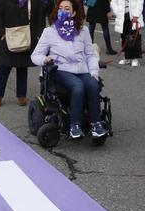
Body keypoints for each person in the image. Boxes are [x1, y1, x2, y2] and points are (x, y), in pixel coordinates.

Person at [32, 0, 106, 140]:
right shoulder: (49, 32)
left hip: (81, 69)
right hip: (61, 69)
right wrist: (44, 60)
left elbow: (90, 55)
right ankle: (75, 126)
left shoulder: (83, 31)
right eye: (60, 8)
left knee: (92, 84)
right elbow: (35, 55)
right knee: (78, 86)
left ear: (73, 12)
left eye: (67, 8)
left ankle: (96, 124)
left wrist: (94, 72)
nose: (63, 11)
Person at [0, 0, 46, 107]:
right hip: (8, 37)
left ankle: (21, 96)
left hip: (26, 37)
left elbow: (40, 17)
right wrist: (1, 31)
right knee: (4, 68)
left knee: (22, 68)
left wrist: (38, 34)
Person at [111, 0, 141, 66]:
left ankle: (134, 58)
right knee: (123, 37)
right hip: (122, 16)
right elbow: (113, 2)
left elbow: (140, 2)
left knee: (133, 36)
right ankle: (126, 57)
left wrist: (136, 14)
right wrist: (117, 11)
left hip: (133, 15)